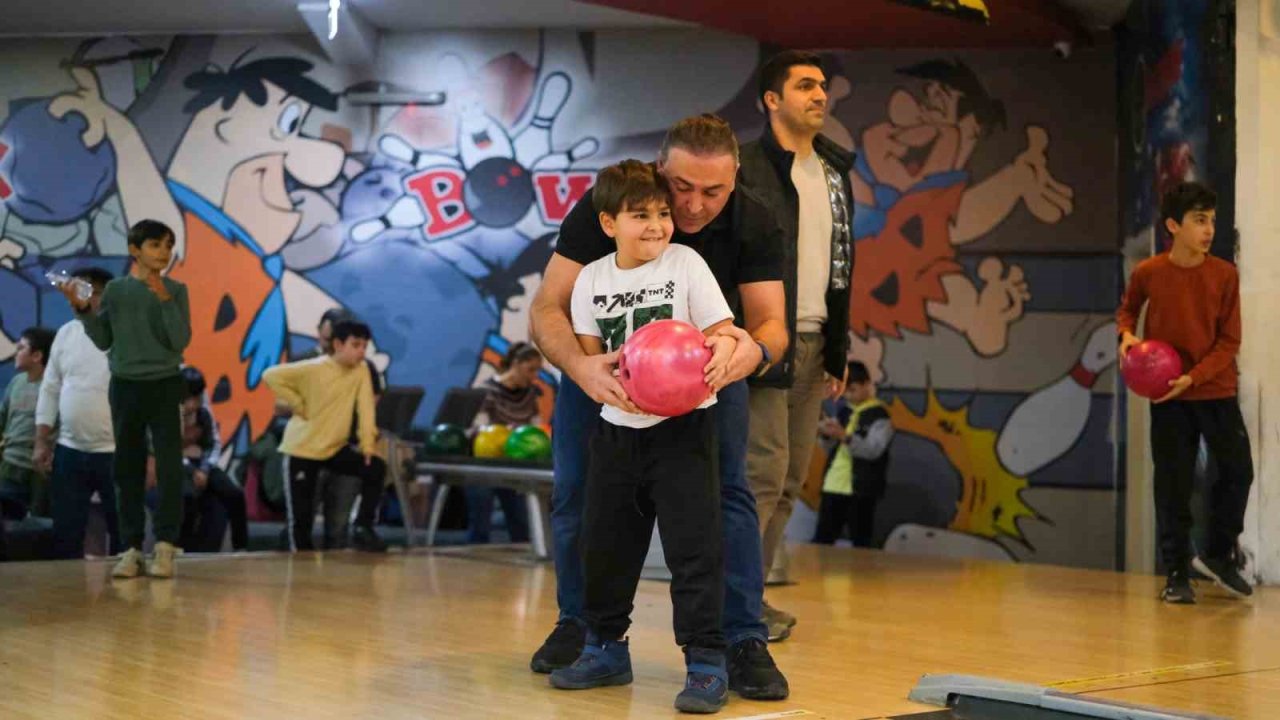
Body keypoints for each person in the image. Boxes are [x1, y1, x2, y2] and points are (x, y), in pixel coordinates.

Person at [530, 114, 792, 700]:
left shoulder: (753, 220)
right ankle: (585, 629)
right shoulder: (611, 205)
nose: (693, 207)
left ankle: (740, 640)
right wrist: (582, 368)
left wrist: (748, 353)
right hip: (606, 380)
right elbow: (548, 306)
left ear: (736, 177)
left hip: (704, 385)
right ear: (658, 169)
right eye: (681, 188)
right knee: (579, 496)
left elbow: (772, 324)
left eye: (713, 191)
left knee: (725, 499)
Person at [548, 160, 738, 713]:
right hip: (617, 434)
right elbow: (592, 360)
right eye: (640, 216)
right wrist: (611, 382)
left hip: (685, 431)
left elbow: (721, 333)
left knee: (694, 549)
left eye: (661, 213)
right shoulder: (590, 279)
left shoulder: (686, 264)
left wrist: (726, 349)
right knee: (605, 545)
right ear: (609, 223)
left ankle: (706, 662)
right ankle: (605, 648)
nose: (656, 226)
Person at [737, 50, 855, 637]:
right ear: (772, 100)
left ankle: (750, 599)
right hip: (764, 344)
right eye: (806, 85)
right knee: (762, 475)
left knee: (788, 483)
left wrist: (838, 348)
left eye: (822, 86)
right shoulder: (746, 168)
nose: (820, 95)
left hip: (814, 343)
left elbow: (842, 265)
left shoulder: (834, 171)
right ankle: (733, 604)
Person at [1116, 182, 1254, 604]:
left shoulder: (1225, 275)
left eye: (1211, 221)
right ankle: (1177, 573)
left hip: (1214, 389)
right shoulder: (1149, 272)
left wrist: (1193, 378)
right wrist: (1126, 335)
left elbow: (1229, 342)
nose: (1209, 230)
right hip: (1168, 397)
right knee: (1172, 485)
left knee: (1238, 471)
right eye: (1199, 221)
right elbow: (1127, 310)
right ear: (1174, 226)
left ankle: (1218, 556)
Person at [62, 220, 192, 579]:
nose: (164, 252)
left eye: (168, 245)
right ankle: (131, 548)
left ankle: (165, 545)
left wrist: (164, 299)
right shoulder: (117, 291)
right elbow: (104, 339)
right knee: (127, 468)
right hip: (126, 385)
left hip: (165, 383)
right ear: (135, 250)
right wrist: (84, 311)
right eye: (155, 245)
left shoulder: (177, 290)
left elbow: (180, 340)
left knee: (169, 467)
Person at [262, 318, 377, 552]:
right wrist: (298, 403)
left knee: (375, 468)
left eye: (364, 346)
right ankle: (299, 562)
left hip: (334, 449)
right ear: (338, 344)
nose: (361, 352)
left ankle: (363, 525)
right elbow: (271, 375)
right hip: (303, 450)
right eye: (356, 345)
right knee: (301, 520)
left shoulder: (362, 370)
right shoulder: (314, 367)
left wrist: (367, 445)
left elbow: (366, 409)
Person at [35, 268, 121, 560]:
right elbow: (50, 388)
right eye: (79, 290)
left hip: (117, 451)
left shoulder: (125, 334)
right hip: (69, 450)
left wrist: (150, 454)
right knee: (66, 535)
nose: (85, 297)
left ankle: (127, 590)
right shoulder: (66, 334)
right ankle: (67, 590)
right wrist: (41, 441)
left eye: (93, 292)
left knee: (123, 534)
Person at [300, 308, 389, 552]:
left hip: (345, 447)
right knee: (301, 521)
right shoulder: (306, 364)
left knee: (338, 523)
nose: (330, 344)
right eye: (327, 339)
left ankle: (360, 529)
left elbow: (371, 405)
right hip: (310, 449)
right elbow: (281, 405)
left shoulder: (364, 369)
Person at [466, 342, 544, 544]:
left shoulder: (530, 395)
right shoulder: (487, 391)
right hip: (484, 465)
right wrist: (509, 434)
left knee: (521, 522)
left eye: (537, 371)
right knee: (480, 522)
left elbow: (535, 427)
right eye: (530, 369)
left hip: (515, 466)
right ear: (516, 364)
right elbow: (479, 429)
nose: (534, 376)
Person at [813, 361, 892, 547]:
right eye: (845, 391)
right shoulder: (844, 412)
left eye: (853, 390)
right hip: (833, 483)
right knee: (823, 538)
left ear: (867, 384)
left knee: (860, 539)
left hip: (861, 488)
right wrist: (827, 435)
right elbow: (830, 449)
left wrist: (844, 436)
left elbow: (873, 450)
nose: (848, 395)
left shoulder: (879, 415)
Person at [177, 366, 248, 551]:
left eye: (198, 398)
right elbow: (168, 450)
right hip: (178, 466)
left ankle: (241, 547)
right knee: (187, 497)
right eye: (191, 398)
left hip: (202, 464)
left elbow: (213, 444)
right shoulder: (167, 414)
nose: (195, 403)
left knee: (235, 494)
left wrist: (204, 468)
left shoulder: (203, 414)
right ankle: (182, 549)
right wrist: (191, 469)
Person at [0, 327, 56, 518]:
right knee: (7, 519)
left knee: (39, 523)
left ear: (37, 356)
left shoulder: (54, 388)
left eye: (21, 348)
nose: (15, 352)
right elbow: (3, 416)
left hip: (39, 472)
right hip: (10, 466)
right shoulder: (16, 382)